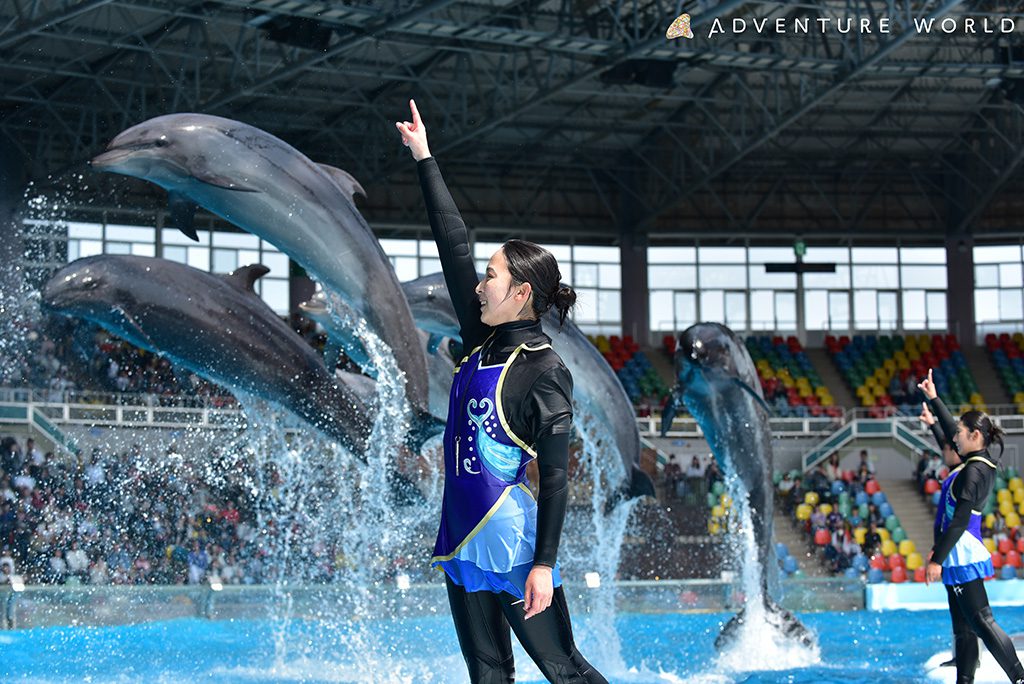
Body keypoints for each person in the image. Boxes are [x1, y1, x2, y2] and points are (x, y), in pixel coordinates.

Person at [398, 99, 607, 683]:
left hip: (515, 548)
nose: (480, 284)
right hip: (463, 544)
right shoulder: (478, 341)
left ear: (521, 294)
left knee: (562, 668)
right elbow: (453, 244)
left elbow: (558, 477)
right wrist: (425, 158)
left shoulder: (545, 370)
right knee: (489, 676)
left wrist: (545, 565)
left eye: (492, 277)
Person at [919, 369, 1024, 684]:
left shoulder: (975, 471)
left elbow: (960, 519)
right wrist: (934, 399)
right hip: (954, 549)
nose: (955, 438)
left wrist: (937, 558)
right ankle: (964, 680)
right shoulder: (972, 462)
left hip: (961, 550)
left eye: (961, 434)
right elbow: (951, 430)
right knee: (964, 625)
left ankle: (1019, 677)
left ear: (974, 437)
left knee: (981, 621)